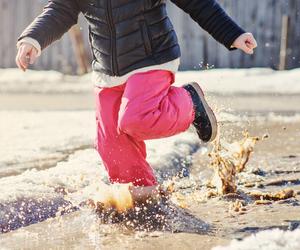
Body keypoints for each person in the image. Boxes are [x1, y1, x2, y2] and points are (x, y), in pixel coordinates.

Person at [16, 0, 257, 202]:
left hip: (151, 58)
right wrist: (34, 39)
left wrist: (232, 34)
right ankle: (142, 196)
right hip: (108, 68)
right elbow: (61, 9)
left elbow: (196, 3)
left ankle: (190, 103)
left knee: (137, 118)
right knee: (110, 142)